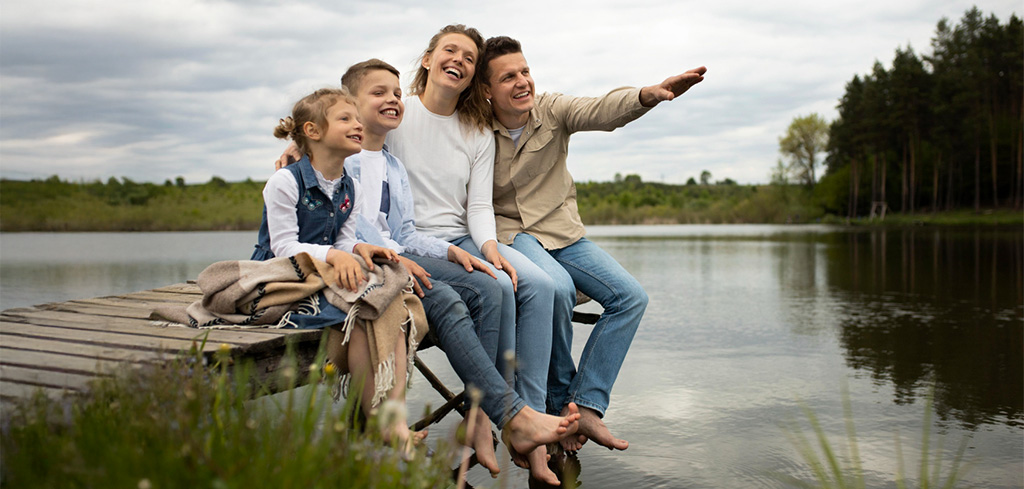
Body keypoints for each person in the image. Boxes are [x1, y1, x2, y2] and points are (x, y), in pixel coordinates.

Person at [338, 58, 579, 476]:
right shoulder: (342, 157)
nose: (392, 100)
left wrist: (453, 252)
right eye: (380, 94)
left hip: (402, 257)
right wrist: (299, 144)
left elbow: (404, 230)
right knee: (457, 299)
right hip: (361, 265)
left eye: (395, 94)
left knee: (491, 284)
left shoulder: (393, 167)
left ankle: (490, 418)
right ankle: (502, 416)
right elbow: (344, 228)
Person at [478, 35, 706, 454]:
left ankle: (585, 404)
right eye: (508, 76)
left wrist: (647, 95)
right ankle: (555, 405)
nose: (522, 81)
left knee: (630, 296)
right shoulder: (475, 129)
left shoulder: (551, 109)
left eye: (525, 71)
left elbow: (601, 109)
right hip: (513, 234)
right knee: (558, 289)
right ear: (487, 90)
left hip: (562, 233)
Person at [253, 86, 422, 451]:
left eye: (357, 119)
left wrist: (359, 248)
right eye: (345, 118)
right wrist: (334, 255)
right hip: (283, 274)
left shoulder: (351, 186)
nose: (357, 124)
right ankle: (380, 420)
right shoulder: (285, 181)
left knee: (384, 303)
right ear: (313, 132)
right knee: (359, 310)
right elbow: (283, 246)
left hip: (326, 273)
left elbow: (344, 239)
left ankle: (392, 418)